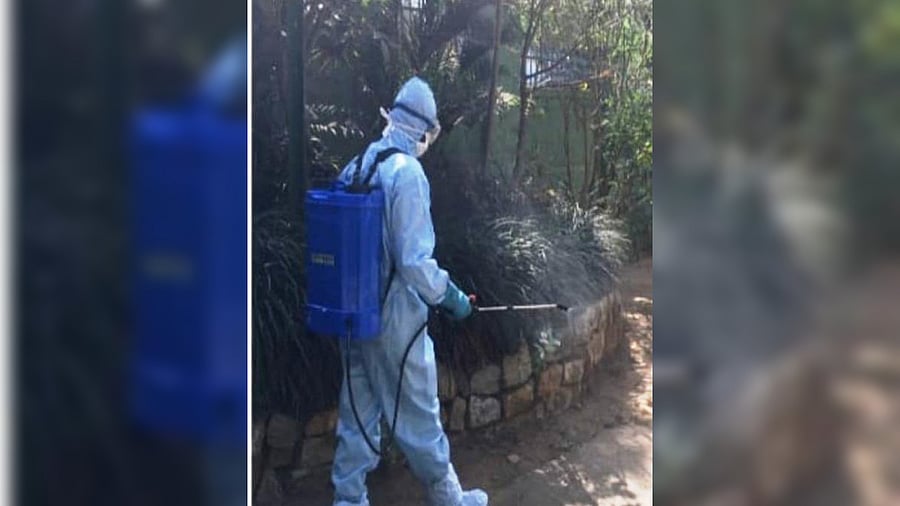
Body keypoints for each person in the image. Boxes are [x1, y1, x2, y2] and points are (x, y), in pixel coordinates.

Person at [331, 77, 489, 506]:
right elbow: (414, 263)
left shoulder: (358, 165)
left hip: (351, 315)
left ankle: (347, 499)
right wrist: (452, 298)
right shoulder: (408, 174)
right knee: (420, 416)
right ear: (424, 131)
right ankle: (450, 500)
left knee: (357, 415)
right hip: (396, 324)